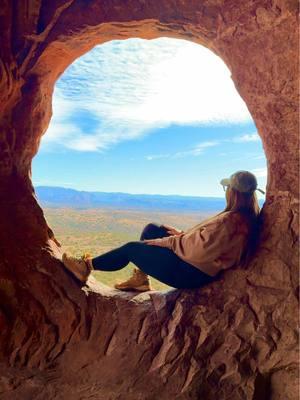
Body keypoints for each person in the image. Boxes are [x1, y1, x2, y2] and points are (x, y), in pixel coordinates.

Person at [62, 171, 264, 291]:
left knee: (132, 248)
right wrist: (181, 235)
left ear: (234, 193)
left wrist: (171, 242)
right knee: (153, 230)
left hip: (191, 273)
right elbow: (209, 243)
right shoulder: (245, 218)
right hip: (198, 266)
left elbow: (200, 251)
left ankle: (86, 267)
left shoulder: (230, 221)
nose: (226, 191)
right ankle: (141, 280)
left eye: (228, 188)